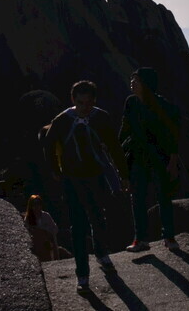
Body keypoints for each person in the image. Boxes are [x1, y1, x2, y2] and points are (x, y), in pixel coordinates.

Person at [44, 80, 129, 293]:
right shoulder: (62, 120)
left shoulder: (101, 118)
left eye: (88, 103)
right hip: (72, 180)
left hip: (96, 177)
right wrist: (55, 170)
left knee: (99, 219)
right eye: (80, 103)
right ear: (73, 100)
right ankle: (82, 275)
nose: (84, 107)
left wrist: (124, 175)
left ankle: (101, 253)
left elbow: (114, 147)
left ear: (94, 100)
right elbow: (49, 144)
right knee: (78, 226)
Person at [120, 67, 183, 253]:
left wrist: (173, 160)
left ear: (146, 84)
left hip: (159, 157)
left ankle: (169, 236)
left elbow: (172, 134)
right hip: (137, 156)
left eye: (137, 80)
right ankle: (140, 239)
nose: (132, 82)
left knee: (163, 196)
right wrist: (116, 149)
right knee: (137, 198)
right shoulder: (131, 102)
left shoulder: (162, 105)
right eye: (132, 79)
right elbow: (125, 127)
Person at [23, 194, 59, 262]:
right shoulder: (28, 218)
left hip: (47, 241)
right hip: (36, 243)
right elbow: (26, 232)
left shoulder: (46, 215)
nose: (36, 206)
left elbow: (55, 229)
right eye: (34, 204)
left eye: (38, 203)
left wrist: (46, 231)